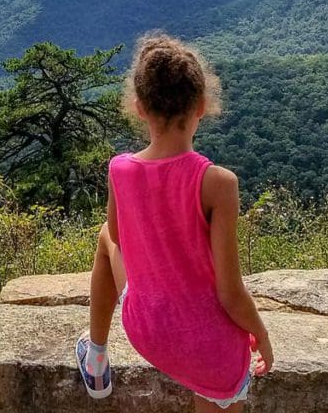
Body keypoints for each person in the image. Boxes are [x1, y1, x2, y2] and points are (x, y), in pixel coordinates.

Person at [75, 33, 273, 412]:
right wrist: (260, 334)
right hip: (209, 351)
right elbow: (230, 293)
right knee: (217, 379)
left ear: (138, 108)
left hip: (147, 331)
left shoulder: (120, 170)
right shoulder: (218, 184)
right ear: (201, 106)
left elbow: (118, 236)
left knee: (104, 237)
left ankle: (96, 359)